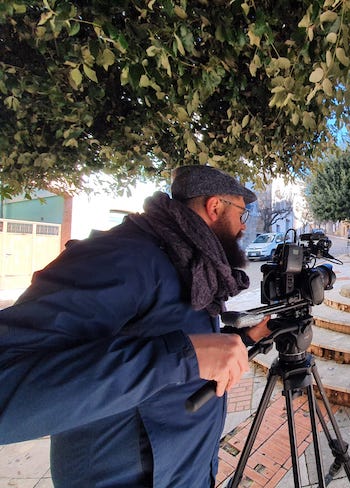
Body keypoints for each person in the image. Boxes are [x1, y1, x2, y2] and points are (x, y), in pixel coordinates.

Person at [0, 165, 271, 487]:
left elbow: (168, 340)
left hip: (187, 472)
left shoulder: (189, 262)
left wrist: (242, 339)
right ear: (215, 207)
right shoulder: (120, 256)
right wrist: (182, 358)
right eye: (243, 213)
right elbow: (9, 381)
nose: (243, 226)